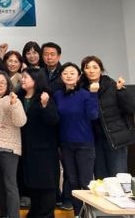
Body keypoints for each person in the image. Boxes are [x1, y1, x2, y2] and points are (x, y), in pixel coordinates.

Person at [53, 62, 99, 216]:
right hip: (65, 144)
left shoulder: (86, 94)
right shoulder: (58, 95)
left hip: (84, 144)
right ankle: (77, 213)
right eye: (65, 73)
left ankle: (89, 214)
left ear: (79, 77)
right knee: (72, 181)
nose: (68, 76)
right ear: (61, 76)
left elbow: (93, 115)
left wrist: (93, 94)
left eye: (72, 73)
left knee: (86, 182)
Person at [80, 55, 135, 178]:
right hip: (95, 139)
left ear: (101, 70)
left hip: (115, 137)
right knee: (101, 178)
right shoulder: (81, 89)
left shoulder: (111, 85)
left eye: (95, 67)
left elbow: (131, 108)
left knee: (118, 177)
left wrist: (121, 90)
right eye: (87, 67)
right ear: (83, 71)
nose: (91, 70)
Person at [19, 68, 59, 218]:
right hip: (26, 149)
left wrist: (44, 105)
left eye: (26, 77)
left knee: (46, 186)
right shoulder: (19, 97)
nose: (22, 80)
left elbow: (53, 120)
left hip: (44, 150)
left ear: (36, 80)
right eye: (22, 77)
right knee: (33, 186)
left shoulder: (45, 97)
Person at [0, 71, 27, 218]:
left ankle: (13, 215)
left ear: (8, 85)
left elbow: (21, 122)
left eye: (2, 82)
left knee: (10, 185)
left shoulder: (12, 99)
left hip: (8, 148)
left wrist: (14, 104)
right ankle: (4, 214)